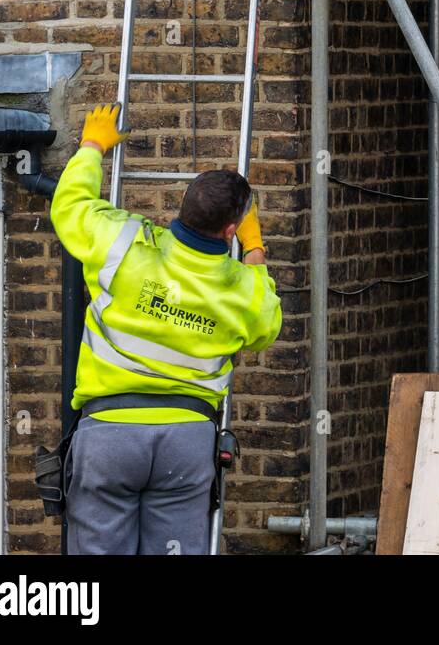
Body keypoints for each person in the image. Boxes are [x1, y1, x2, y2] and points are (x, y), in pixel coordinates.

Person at [50, 103, 281, 555]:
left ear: (184, 207)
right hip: (186, 441)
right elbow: (266, 327)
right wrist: (253, 250)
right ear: (230, 230)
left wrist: (93, 145)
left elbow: (71, 207)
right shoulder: (243, 291)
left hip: (109, 434)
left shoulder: (123, 246)